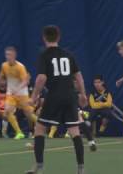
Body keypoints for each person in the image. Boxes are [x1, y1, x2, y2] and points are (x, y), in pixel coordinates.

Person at [26, 25, 88, 174]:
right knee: (74, 131)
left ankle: (39, 166)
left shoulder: (44, 55)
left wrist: (34, 97)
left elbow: (41, 78)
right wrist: (83, 94)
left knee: (39, 128)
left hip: (54, 96)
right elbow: (78, 76)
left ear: (44, 38)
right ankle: (81, 169)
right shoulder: (68, 54)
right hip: (70, 96)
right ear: (58, 37)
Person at [0, 46, 37, 139]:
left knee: (28, 114)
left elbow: (25, 81)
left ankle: (42, 124)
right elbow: (0, 76)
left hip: (22, 94)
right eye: (6, 54)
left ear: (14, 55)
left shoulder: (20, 67)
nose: (8, 56)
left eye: (10, 54)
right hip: (10, 94)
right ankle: (19, 132)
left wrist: (17, 89)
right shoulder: (4, 65)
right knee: (7, 112)